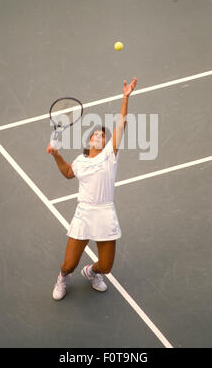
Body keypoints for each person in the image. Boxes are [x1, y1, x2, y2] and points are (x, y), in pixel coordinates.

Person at [47, 77, 137, 300]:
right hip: (85, 213)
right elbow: (68, 173)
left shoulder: (110, 156)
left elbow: (121, 123)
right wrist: (56, 154)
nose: (98, 136)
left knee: (106, 266)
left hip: (105, 212)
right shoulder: (80, 161)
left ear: (106, 143)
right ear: (89, 142)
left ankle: (91, 272)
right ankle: (63, 277)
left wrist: (125, 97)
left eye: (102, 135)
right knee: (69, 264)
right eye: (95, 134)